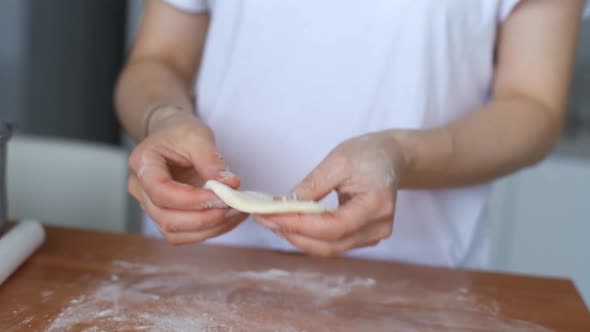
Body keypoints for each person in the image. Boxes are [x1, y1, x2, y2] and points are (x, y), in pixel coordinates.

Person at [115, 0, 588, 268]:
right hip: (200, 267)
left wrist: (400, 156)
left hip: (418, 285)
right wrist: (164, 119)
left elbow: (534, 106)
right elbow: (158, 62)